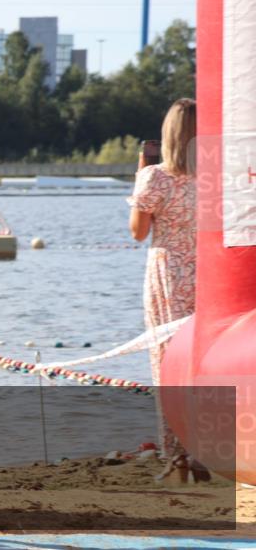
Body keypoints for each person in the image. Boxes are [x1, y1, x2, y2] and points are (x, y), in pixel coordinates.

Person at [127, 97, 197, 478]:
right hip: (210, 275)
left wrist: (140, 175)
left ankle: (177, 456)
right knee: (203, 364)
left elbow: (137, 232)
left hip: (169, 276)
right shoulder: (219, 177)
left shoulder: (156, 178)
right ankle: (208, 449)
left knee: (168, 364)